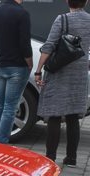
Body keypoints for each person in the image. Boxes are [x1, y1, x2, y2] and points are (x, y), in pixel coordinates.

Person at [34, 0, 90, 167]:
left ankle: (50, 157)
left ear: (67, 1)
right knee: (73, 116)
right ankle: (71, 158)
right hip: (79, 74)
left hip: (59, 71)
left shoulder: (62, 19)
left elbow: (49, 46)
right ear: (85, 2)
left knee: (54, 114)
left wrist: (38, 70)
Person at [0, 0, 33, 144]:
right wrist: (29, 63)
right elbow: (25, 43)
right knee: (10, 107)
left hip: (1, 65)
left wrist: (0, 54)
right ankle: (2, 143)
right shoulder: (22, 13)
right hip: (18, 66)